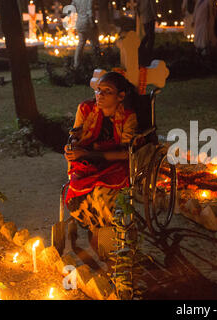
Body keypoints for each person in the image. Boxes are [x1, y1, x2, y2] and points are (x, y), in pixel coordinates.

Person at [64, 72, 138, 233]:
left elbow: (125, 154)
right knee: (76, 195)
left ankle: (104, 230)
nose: (100, 95)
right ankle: (94, 224)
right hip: (88, 162)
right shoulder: (85, 109)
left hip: (114, 163)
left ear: (120, 96)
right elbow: (75, 135)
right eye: (98, 90)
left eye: (107, 91)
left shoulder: (128, 117)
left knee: (100, 193)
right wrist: (73, 148)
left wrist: (86, 154)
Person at [71, 0, 100, 69]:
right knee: (95, 43)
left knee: (81, 43)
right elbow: (90, 12)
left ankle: (76, 64)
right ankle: (97, 62)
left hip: (79, 23)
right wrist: (92, 24)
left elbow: (72, 7)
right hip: (87, 23)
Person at [137, 0, 157, 67]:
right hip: (150, 17)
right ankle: (147, 52)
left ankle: (143, 49)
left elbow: (138, 6)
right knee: (150, 36)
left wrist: (140, 15)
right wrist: (155, 15)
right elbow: (152, 5)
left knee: (148, 35)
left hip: (143, 18)